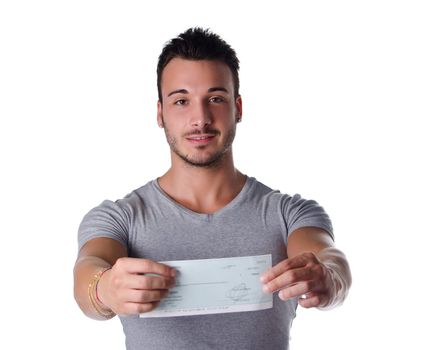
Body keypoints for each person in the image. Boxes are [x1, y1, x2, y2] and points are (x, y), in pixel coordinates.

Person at [74, 27, 351, 350]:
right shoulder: (120, 218)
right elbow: (88, 271)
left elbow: (328, 257)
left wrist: (330, 277)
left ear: (238, 108)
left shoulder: (288, 213)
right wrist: (103, 288)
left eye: (215, 99)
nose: (200, 118)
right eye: (181, 101)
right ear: (160, 113)